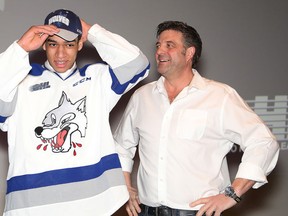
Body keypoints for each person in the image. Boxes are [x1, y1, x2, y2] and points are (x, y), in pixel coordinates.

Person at [113, 21, 279, 216]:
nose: (160, 51)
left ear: (190, 53)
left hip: (197, 213)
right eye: (158, 45)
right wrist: (125, 187)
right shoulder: (142, 97)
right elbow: (121, 146)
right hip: (146, 211)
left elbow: (263, 142)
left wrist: (233, 194)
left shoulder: (219, 95)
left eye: (169, 45)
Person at [0, 8, 149, 216]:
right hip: (31, 207)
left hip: (93, 206)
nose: (61, 53)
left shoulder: (97, 79)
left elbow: (137, 64)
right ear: (43, 44)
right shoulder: (19, 82)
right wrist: (20, 48)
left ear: (80, 44)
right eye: (53, 44)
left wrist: (92, 32)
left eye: (69, 44)